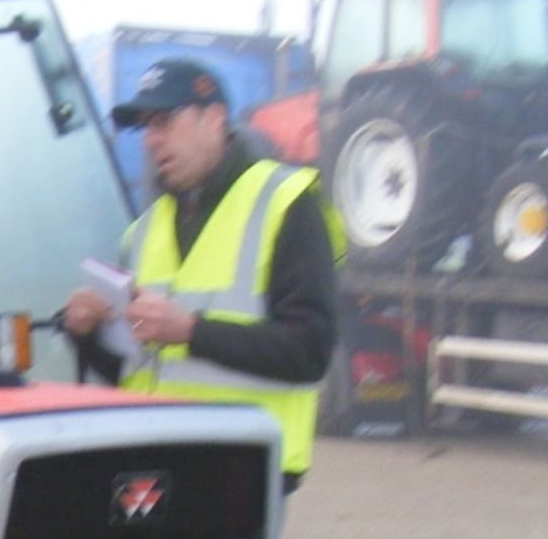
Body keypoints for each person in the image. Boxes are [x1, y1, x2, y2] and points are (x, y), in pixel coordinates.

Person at [61, 58, 342, 491]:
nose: (151, 141)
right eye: (145, 128)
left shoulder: (286, 203)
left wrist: (190, 330)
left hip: (241, 468)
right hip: (148, 465)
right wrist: (88, 331)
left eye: (165, 121)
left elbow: (310, 352)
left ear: (214, 118)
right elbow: (134, 372)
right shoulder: (143, 232)